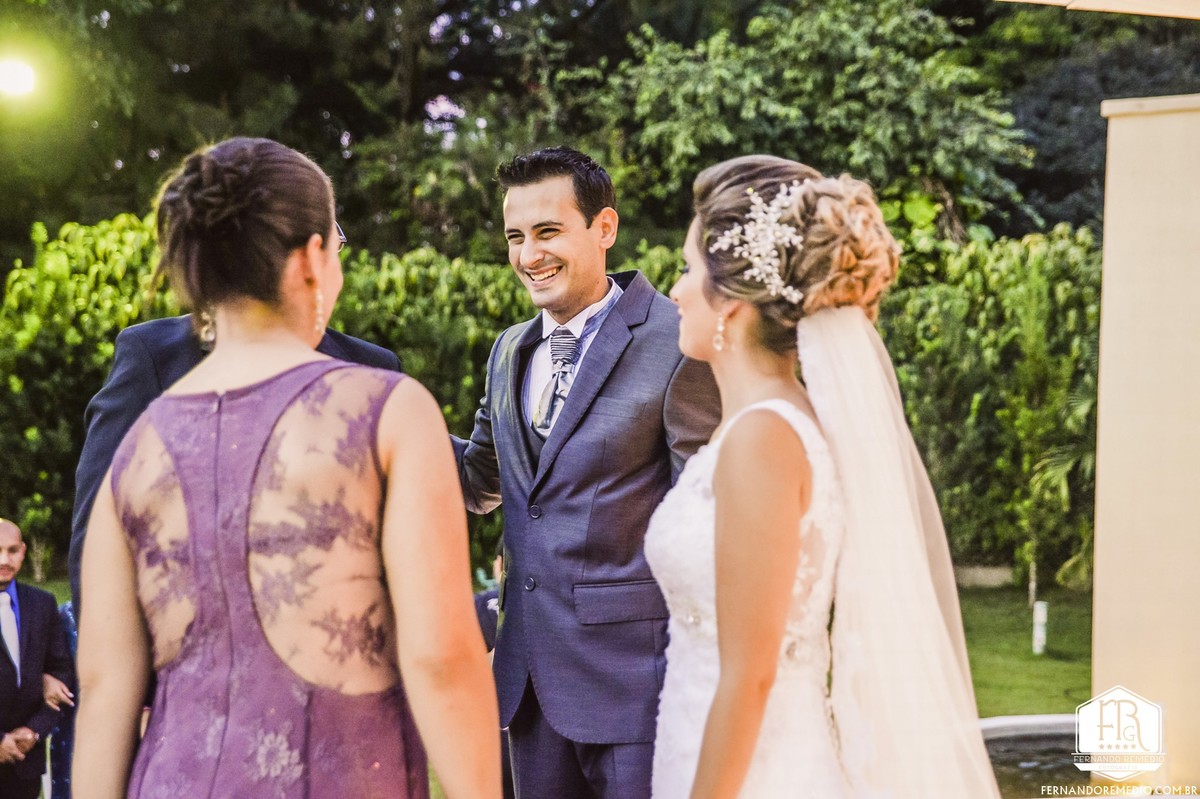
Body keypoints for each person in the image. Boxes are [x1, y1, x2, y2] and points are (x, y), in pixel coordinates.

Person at [73, 137, 500, 799]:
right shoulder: (383, 408)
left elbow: (103, 687)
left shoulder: (140, 446)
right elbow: (440, 656)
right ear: (310, 259)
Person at [644, 155, 1001, 798]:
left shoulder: (763, 438)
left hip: (759, 773)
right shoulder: (762, 425)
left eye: (688, 268)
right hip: (704, 745)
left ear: (729, 301)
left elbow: (748, 677)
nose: (674, 289)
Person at [453, 146, 721, 798]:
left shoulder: (676, 340)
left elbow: (705, 518)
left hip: (635, 685)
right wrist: (374, 423)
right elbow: (481, 480)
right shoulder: (509, 348)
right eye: (516, 236)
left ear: (604, 228)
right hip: (525, 685)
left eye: (547, 232)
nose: (528, 255)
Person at [69, 311, 399, 620]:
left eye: (334, 248)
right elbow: (98, 520)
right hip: (193, 646)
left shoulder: (372, 367)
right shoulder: (155, 353)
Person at [0, 518, 74, 799]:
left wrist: (35, 731)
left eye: (12, 550)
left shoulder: (42, 604)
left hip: (25, 759)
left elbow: (61, 673)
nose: (4, 559)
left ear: (23, 551)